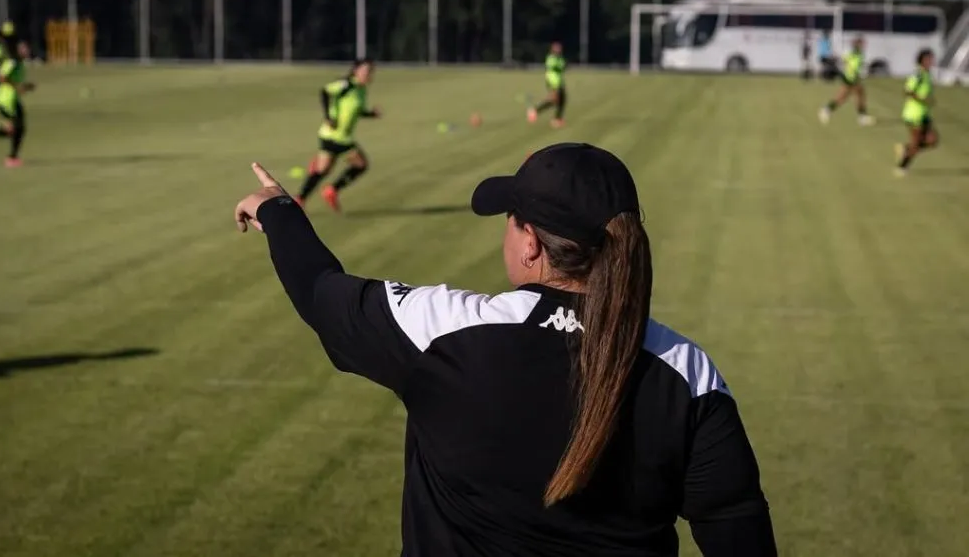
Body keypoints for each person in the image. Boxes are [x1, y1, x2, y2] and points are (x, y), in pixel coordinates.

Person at [234, 143, 778, 557]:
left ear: (531, 243)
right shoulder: (688, 373)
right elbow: (737, 530)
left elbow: (320, 292)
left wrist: (278, 210)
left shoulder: (442, 330)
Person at [295, 58, 381, 211]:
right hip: (335, 136)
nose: (369, 75)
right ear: (356, 71)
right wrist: (328, 117)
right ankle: (331, 190)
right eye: (366, 71)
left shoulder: (361, 90)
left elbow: (356, 110)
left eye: (371, 72)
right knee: (360, 164)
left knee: (323, 170)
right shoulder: (347, 85)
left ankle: (301, 198)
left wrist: (371, 114)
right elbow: (325, 91)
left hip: (337, 137)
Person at [894, 49, 938, 178]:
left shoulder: (927, 74)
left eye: (932, 59)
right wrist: (922, 100)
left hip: (924, 114)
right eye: (928, 59)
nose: (931, 61)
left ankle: (906, 149)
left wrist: (929, 100)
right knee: (917, 142)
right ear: (922, 60)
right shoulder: (918, 75)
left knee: (932, 141)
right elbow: (907, 91)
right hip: (914, 114)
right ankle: (902, 166)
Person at [818, 36, 875, 126]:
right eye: (861, 43)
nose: (863, 45)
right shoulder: (853, 53)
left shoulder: (860, 54)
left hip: (853, 77)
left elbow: (853, 64)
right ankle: (862, 117)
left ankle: (827, 110)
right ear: (857, 44)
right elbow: (846, 62)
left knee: (849, 96)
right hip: (850, 78)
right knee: (849, 96)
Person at [527, 42, 567, 128]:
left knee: (562, 100)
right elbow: (554, 67)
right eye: (556, 49)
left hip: (559, 81)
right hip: (553, 81)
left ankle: (557, 118)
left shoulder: (560, 59)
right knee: (554, 100)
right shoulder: (551, 58)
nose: (558, 50)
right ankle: (535, 111)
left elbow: (563, 66)